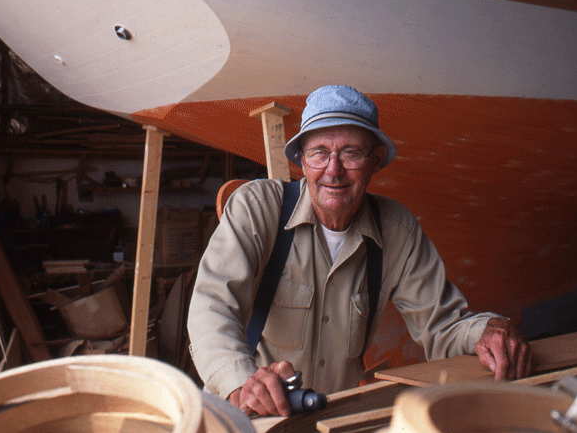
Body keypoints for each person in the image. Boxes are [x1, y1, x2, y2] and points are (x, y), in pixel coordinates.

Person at [187, 85, 532, 417]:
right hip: (246, 417)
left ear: (376, 160)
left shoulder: (397, 230)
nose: (333, 170)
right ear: (302, 162)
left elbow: (442, 327)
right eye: (319, 152)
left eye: (350, 152)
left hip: (329, 419)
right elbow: (212, 308)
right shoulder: (257, 208)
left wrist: (485, 332)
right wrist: (240, 384)